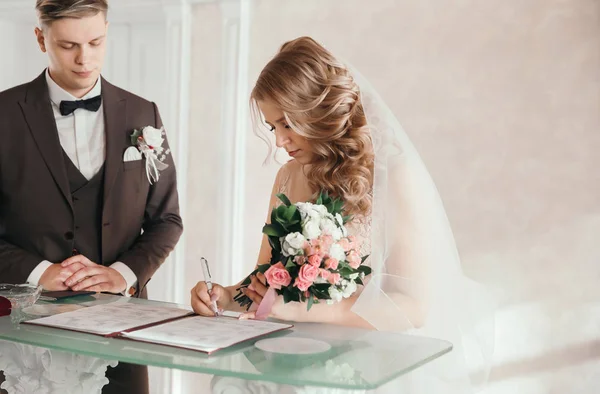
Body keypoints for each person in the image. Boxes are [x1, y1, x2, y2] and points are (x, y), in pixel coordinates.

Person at [191, 36, 493, 392]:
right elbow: (264, 280)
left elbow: (412, 306)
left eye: (287, 124)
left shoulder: (395, 177)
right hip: (288, 359)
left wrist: (306, 312)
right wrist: (224, 296)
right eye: (273, 127)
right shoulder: (287, 177)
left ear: (317, 109)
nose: (279, 141)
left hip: (363, 369)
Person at [0, 1, 183, 393]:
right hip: (25, 342)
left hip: (123, 333)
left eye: (96, 42)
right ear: (40, 38)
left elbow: (167, 219)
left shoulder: (143, 113)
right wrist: (38, 274)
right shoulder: (2, 115)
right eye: (67, 46)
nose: (85, 59)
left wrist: (123, 274)